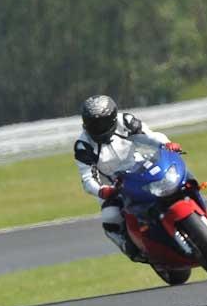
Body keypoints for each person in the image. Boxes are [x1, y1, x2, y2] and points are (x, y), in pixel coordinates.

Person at [73, 95, 183, 262]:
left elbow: (149, 136)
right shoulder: (83, 145)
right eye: (92, 124)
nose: (97, 128)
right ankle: (130, 247)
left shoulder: (125, 121)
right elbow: (87, 178)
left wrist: (166, 144)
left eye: (101, 123)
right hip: (113, 185)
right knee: (110, 217)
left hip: (140, 168)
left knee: (174, 176)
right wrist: (102, 191)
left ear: (112, 118)